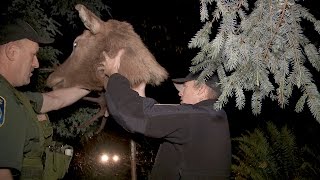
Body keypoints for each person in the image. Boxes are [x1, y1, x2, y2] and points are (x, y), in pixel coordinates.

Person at [102, 49, 231, 179]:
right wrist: (141, 96)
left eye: (185, 87)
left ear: (201, 90)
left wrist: (113, 74)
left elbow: (132, 114)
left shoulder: (199, 117)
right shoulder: (211, 117)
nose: (180, 93)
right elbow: (156, 125)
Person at [0, 19, 90, 180]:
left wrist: (95, 83)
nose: (36, 63)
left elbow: (54, 99)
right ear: (12, 52)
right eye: (33, 54)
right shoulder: (3, 98)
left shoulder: (14, 96)